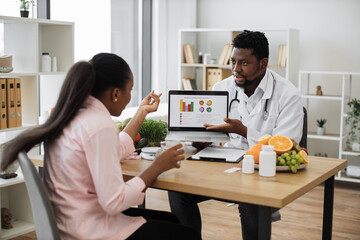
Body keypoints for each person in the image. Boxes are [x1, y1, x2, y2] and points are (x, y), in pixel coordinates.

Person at [1, 53, 200, 240]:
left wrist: (142, 112)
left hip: (71, 223)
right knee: (187, 235)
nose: (130, 96)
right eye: (129, 90)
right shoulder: (98, 125)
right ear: (115, 93)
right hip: (91, 232)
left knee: (172, 221)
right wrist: (157, 166)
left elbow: (117, 147)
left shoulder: (74, 115)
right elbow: (115, 201)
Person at [168, 30, 304, 239]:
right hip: (223, 169)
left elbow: (285, 146)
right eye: (233, 61)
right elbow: (212, 134)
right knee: (178, 190)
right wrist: (202, 141)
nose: (235, 69)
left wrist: (243, 131)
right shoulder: (222, 87)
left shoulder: (288, 95)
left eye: (244, 63)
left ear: (263, 63)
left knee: (252, 201)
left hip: (260, 175)